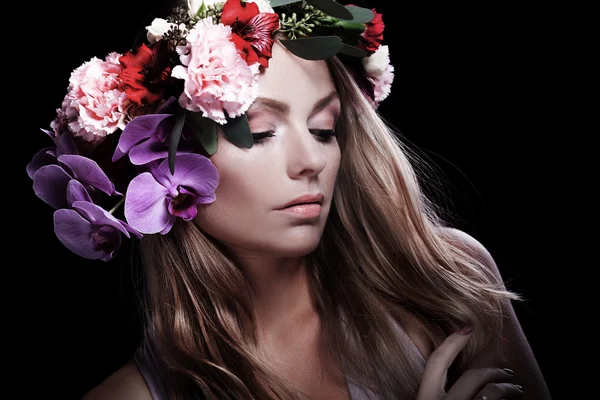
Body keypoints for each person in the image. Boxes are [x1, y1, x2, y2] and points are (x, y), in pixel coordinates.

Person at [26, 0, 551, 399]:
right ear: (159, 160)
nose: (312, 160)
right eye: (258, 133)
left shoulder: (446, 282)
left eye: (325, 128)